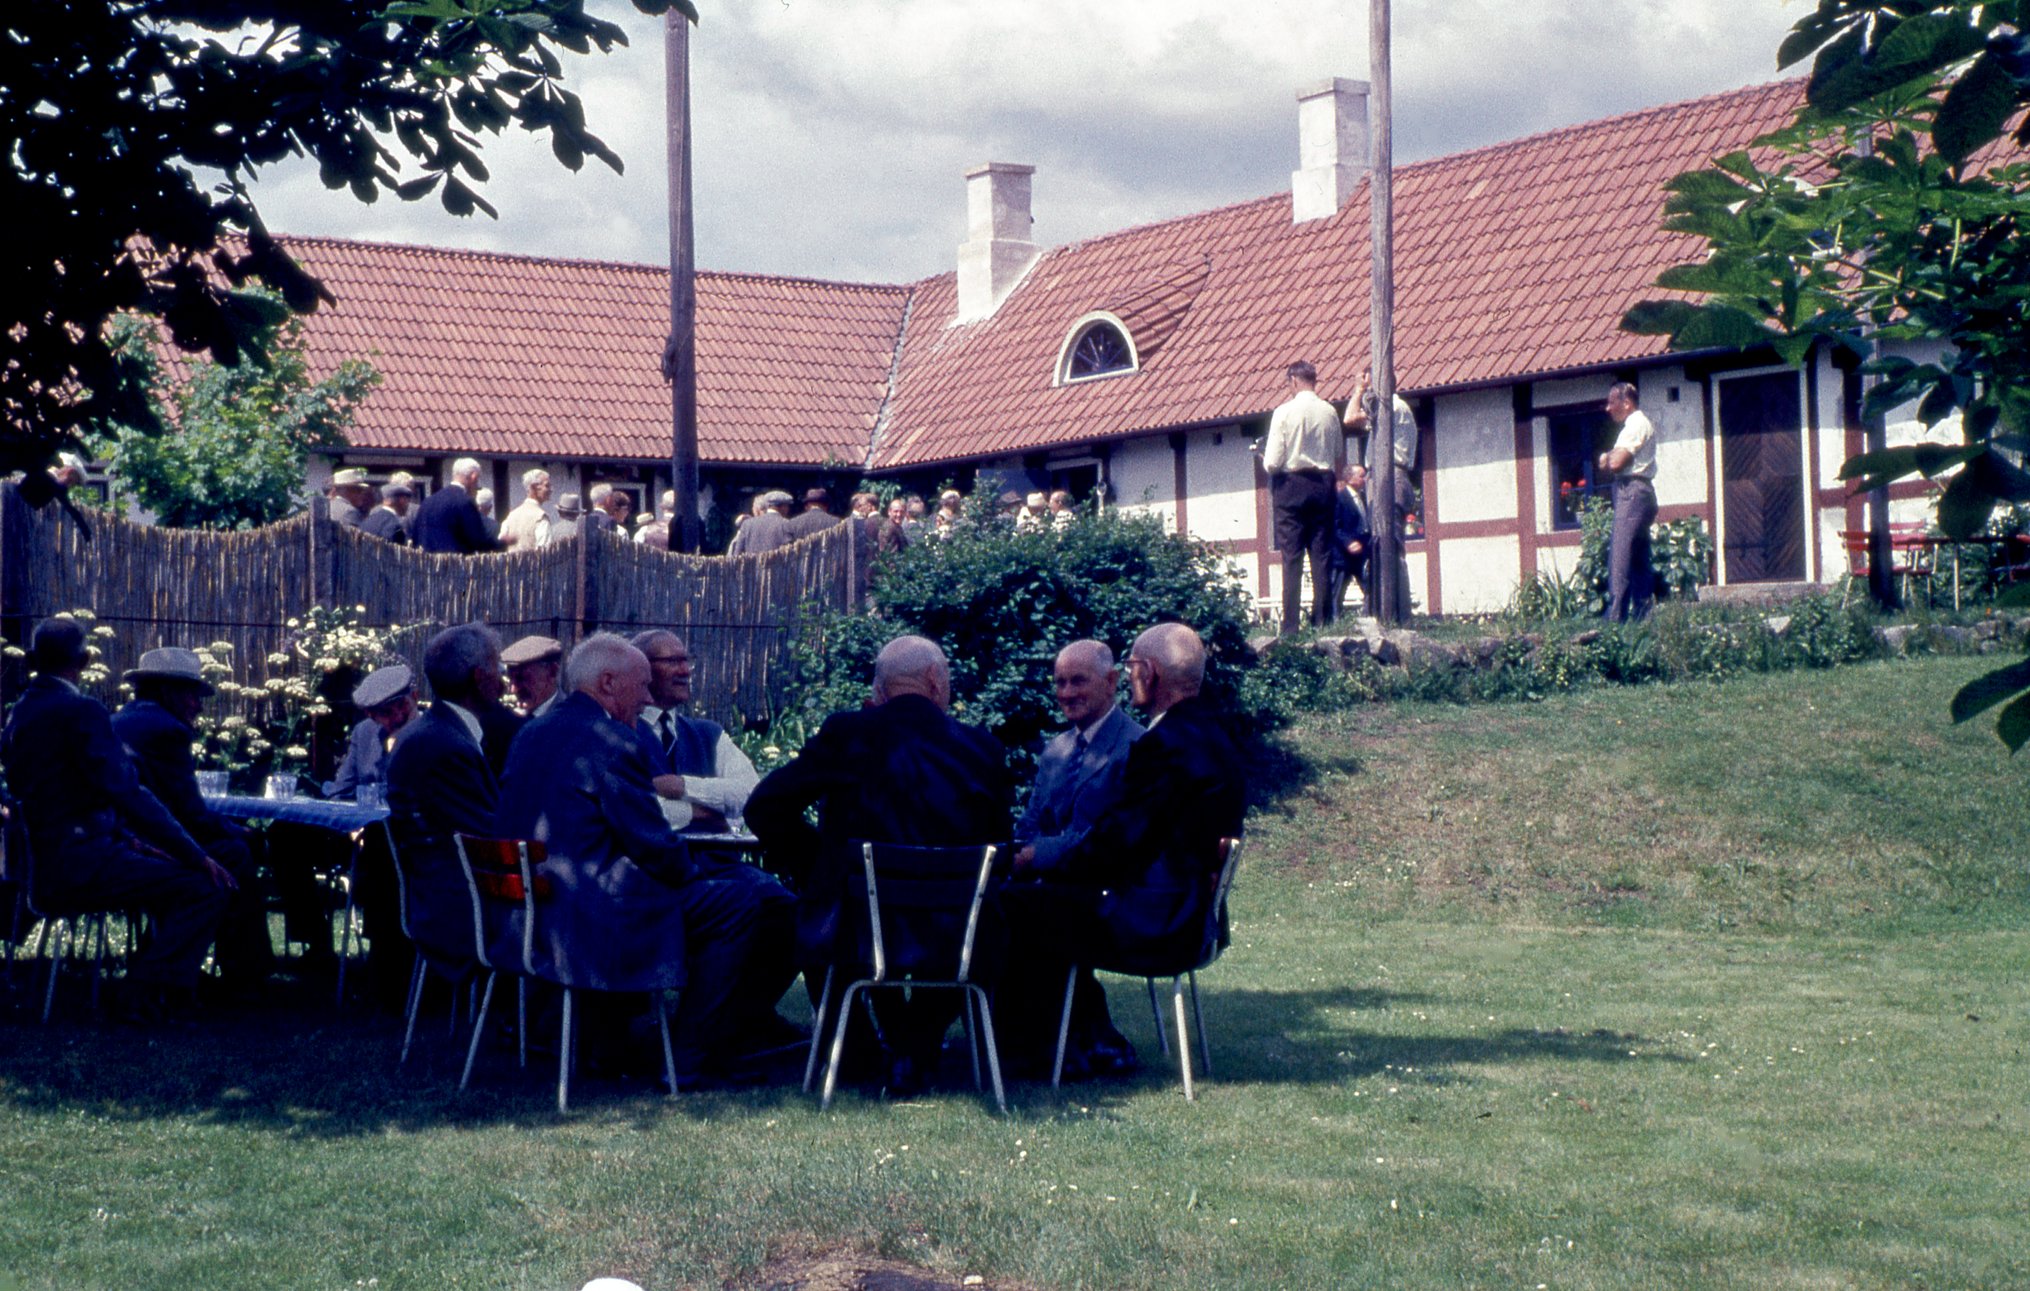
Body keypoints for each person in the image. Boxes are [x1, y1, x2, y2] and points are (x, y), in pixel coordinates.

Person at [497, 634, 796, 1081]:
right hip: (592, 915)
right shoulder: (611, 740)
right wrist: (694, 875)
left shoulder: (531, 733)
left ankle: (636, 1041)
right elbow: (652, 844)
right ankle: (692, 1057)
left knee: (733, 895)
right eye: (641, 686)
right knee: (739, 903)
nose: (645, 698)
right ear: (609, 682)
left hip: (534, 909)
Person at [744, 635, 1013, 1092]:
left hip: (855, 926)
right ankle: (915, 1046)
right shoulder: (982, 748)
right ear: (935, 680)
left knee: (822, 910)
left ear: (882, 688)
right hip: (956, 931)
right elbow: (1000, 851)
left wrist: (820, 863)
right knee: (988, 921)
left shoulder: (847, 734)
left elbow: (763, 808)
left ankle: (869, 1051)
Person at [1006, 623, 1245, 1074]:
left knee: (1015, 904)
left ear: (1149, 674)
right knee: (1038, 901)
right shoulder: (1217, 736)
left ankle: (1047, 1047)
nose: (1132, 674)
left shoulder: (1163, 746)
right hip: (1191, 915)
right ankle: (1071, 1040)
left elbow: (1115, 844)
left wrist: (1039, 863)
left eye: (1132, 666)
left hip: (1159, 924)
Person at [1, 620, 234, 1019]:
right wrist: (197, 856)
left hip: (36, 867)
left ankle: (160, 985)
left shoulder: (19, 714)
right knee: (203, 886)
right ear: (87, 659)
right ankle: (146, 990)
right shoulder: (82, 710)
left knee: (178, 874)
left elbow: (64, 796)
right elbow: (128, 792)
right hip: (82, 864)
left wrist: (129, 839)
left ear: (31, 661)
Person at [999, 640, 1144, 1072]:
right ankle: (1027, 1038)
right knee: (996, 902)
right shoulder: (1056, 749)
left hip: (1110, 892)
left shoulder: (1137, 748)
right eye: (1060, 682)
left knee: (1024, 912)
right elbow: (1031, 822)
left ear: (1112, 682)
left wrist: (1033, 856)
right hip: (1054, 887)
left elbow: (1105, 838)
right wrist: (1010, 854)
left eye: (1078, 680)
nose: (1066, 692)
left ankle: (1065, 1039)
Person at [111, 647, 274, 991]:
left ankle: (172, 957)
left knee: (228, 850)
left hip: (124, 836)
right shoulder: (167, 730)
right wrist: (239, 830)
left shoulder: (121, 719)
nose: (199, 706)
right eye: (193, 695)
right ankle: (245, 974)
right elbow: (191, 815)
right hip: (147, 844)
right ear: (169, 691)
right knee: (235, 853)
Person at [385, 623, 508, 968]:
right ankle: (548, 1020)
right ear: (479, 676)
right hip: (460, 909)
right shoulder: (445, 745)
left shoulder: (429, 733)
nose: (501, 678)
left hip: (438, 897)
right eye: (497, 667)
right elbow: (488, 839)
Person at [628, 631, 759, 832]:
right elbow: (631, 809)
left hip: (719, 863)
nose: (685, 671)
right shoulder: (619, 733)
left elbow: (752, 793)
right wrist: (706, 814)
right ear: (641, 668)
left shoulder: (708, 734)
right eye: (672, 661)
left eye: (686, 661)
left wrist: (681, 786)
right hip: (651, 863)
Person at [1262, 361, 1344, 631]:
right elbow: (1337, 453)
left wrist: (1267, 462)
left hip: (1292, 485)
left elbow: (1273, 462)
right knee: (1321, 554)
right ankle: (1322, 620)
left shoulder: (1283, 412)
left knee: (1292, 555)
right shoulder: (1330, 412)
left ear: (1294, 381)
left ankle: (1291, 625)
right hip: (1322, 484)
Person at [1343, 373, 1417, 621]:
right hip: (1389, 476)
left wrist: (1358, 388)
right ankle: (1387, 609)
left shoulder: (1390, 408)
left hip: (1390, 476)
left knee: (1389, 544)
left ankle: (1396, 613)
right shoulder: (1392, 409)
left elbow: (1350, 417)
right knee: (1384, 544)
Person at [1600, 381, 1659, 623]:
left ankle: (1615, 618)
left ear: (1626, 402)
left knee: (1621, 554)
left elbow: (1614, 463)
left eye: (1612, 402)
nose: (1607, 408)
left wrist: (1606, 457)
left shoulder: (1635, 425)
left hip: (1632, 491)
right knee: (1638, 557)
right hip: (1640, 492)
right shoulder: (1635, 425)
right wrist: (1609, 457)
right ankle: (1642, 616)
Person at [323, 665, 417, 800]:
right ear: (371, 715)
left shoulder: (435, 735)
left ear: (415, 697)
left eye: (404, 706)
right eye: (387, 712)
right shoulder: (364, 733)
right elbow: (340, 792)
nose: (399, 715)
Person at [414, 458, 497, 554]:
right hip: (452, 564)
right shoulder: (465, 502)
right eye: (477, 481)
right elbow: (477, 540)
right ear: (473, 477)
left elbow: (416, 536)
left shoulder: (427, 502)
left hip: (424, 564)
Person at [1330, 463, 1370, 617]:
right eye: (1361, 476)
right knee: (1338, 593)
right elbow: (1334, 526)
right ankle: (1335, 624)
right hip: (1343, 556)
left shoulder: (1361, 498)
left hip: (1361, 556)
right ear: (1350, 478)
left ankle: (1371, 620)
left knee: (1370, 588)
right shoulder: (1340, 498)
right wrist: (1348, 542)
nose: (1365, 479)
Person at [501, 634, 565, 720]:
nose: (513, 690)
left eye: (521, 678)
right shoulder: (510, 720)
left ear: (552, 672)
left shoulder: (569, 719)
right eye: (510, 679)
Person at [499, 468, 554, 550]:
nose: (551, 490)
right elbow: (545, 551)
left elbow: (501, 541)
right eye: (547, 485)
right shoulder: (540, 517)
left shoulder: (511, 515)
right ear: (534, 487)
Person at [726, 490, 793, 556]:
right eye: (788, 506)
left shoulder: (747, 524)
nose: (788, 509)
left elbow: (737, 555)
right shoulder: (786, 524)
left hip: (750, 566)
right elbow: (790, 554)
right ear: (783, 507)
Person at [362, 478, 415, 545]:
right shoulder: (395, 526)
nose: (408, 505)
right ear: (402, 500)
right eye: (407, 500)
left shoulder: (367, 521)